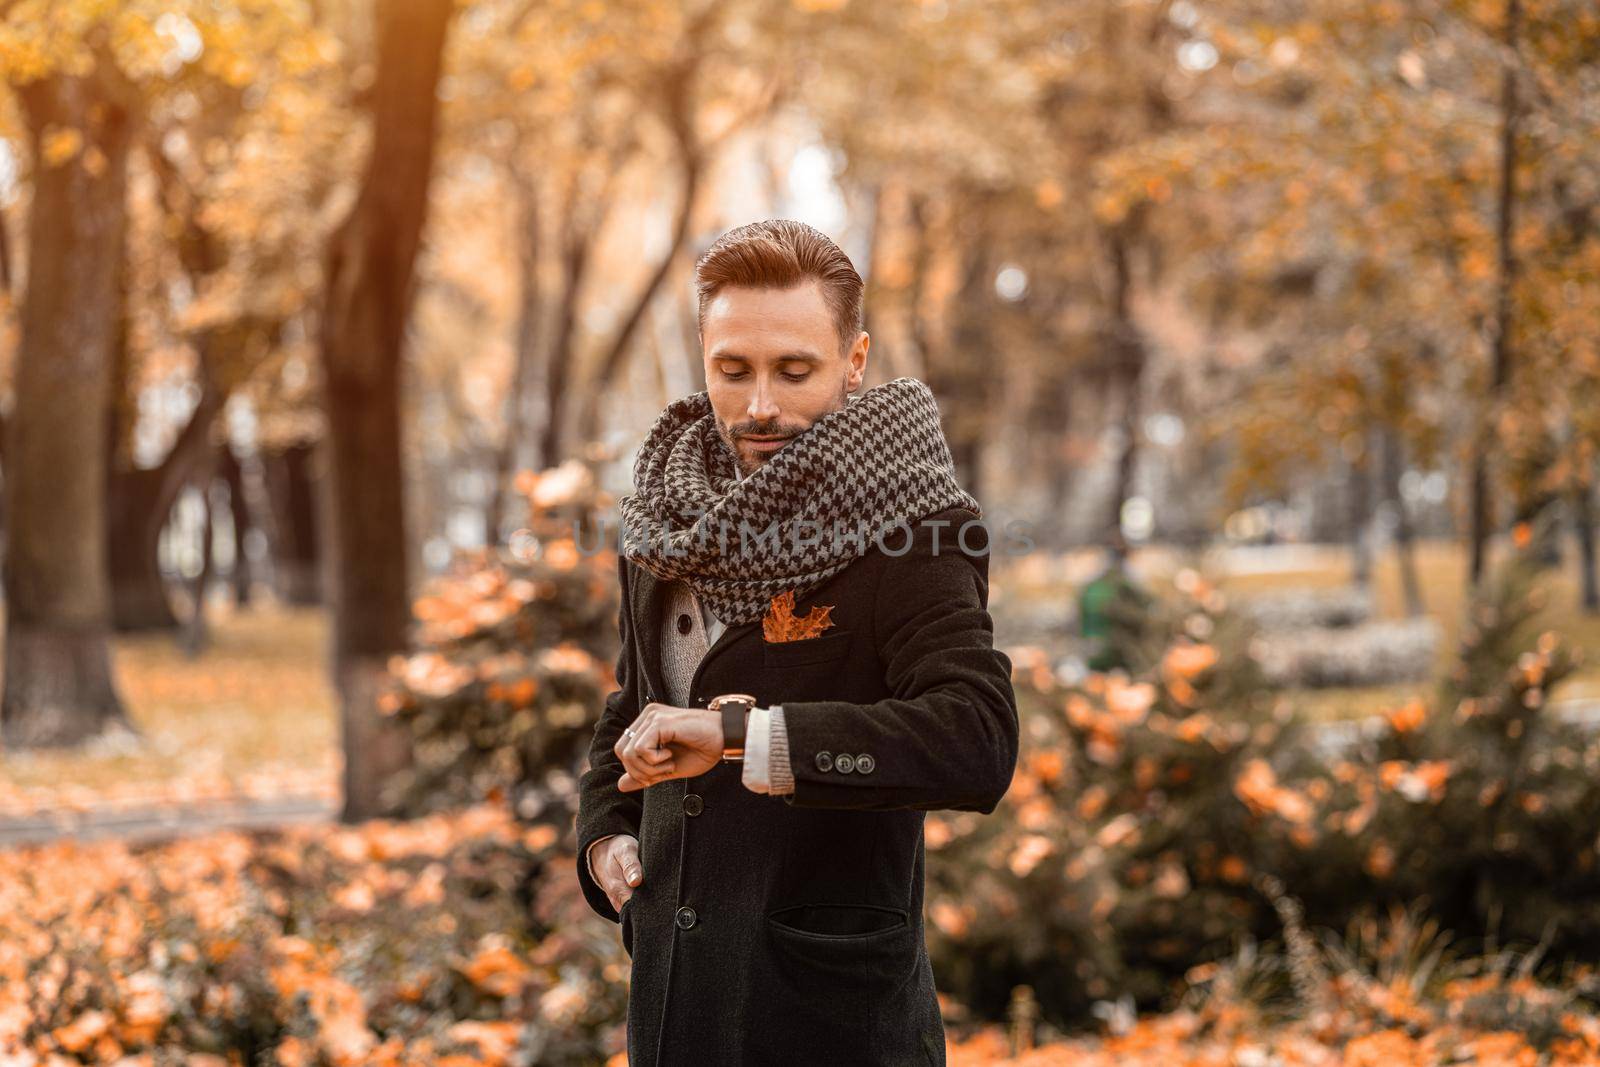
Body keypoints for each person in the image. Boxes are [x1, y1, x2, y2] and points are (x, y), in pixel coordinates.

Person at [574, 219, 1019, 1066]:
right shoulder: (666, 524)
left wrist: (743, 735)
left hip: (829, 1024)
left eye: (795, 369)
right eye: (732, 370)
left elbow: (976, 738)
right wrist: (606, 835)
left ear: (853, 362)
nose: (762, 405)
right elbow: (629, 707)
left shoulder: (915, 527)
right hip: (673, 1014)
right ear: (702, 355)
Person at [1076, 531, 1152, 673]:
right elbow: (1144, 613)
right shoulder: (1124, 582)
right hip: (1117, 652)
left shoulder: (1090, 585)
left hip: (1090, 649)